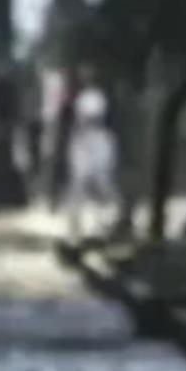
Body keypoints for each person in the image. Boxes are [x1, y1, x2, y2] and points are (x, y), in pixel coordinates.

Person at [65, 65, 119, 242]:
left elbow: (94, 118)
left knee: (102, 184)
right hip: (83, 143)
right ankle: (75, 226)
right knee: (79, 185)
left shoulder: (96, 97)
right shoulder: (80, 97)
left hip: (96, 143)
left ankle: (104, 224)